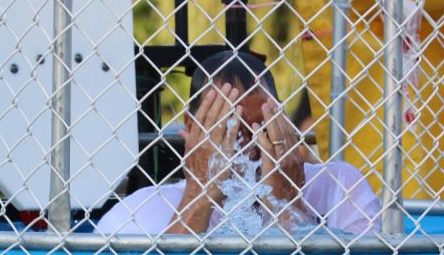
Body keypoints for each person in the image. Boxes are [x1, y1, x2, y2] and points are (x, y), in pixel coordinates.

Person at [96, 50, 380, 236]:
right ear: (192, 128)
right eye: (230, 131)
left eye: (263, 127)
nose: (251, 148)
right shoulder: (141, 211)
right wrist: (199, 195)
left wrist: (288, 203)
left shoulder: (340, 186)